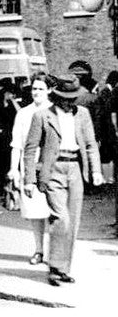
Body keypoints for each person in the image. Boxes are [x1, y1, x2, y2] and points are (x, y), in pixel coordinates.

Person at [23, 75, 104, 286]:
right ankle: (54, 267)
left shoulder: (83, 114)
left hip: (75, 168)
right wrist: (30, 180)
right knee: (61, 218)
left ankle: (64, 269)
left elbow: (90, 144)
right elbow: (31, 149)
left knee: (73, 222)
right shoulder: (42, 116)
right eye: (65, 99)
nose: (70, 103)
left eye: (73, 99)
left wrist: (96, 171)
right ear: (57, 96)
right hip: (53, 170)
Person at [9, 75, 52, 265]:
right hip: (30, 165)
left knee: (54, 210)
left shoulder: (54, 111)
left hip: (52, 166)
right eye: (34, 89)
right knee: (36, 211)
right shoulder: (23, 113)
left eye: (40, 89)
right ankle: (39, 249)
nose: (36, 92)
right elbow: (17, 143)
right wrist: (14, 169)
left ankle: (54, 252)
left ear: (49, 90)